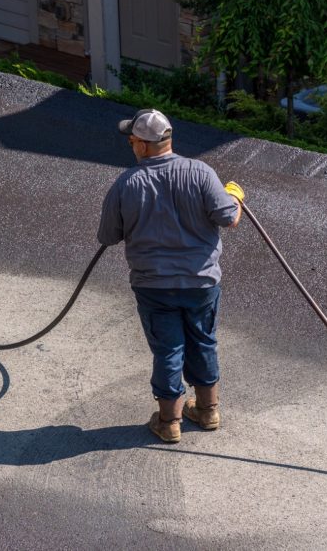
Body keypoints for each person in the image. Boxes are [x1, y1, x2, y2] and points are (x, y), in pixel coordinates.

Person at [96, 109, 245, 443]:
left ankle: (169, 422)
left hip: (155, 287)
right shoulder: (202, 173)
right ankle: (208, 412)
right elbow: (229, 218)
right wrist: (234, 195)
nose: (131, 146)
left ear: (144, 146)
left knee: (168, 350)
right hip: (201, 283)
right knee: (204, 341)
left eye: (132, 141)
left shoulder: (126, 184)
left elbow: (108, 237)